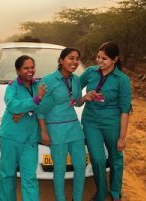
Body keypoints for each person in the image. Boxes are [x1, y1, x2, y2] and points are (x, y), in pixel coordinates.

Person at [79, 41, 131, 201]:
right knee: (98, 159)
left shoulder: (122, 80)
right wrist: (84, 98)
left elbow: (124, 111)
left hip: (112, 123)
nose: (99, 61)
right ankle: (101, 193)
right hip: (91, 122)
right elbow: (73, 93)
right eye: (98, 57)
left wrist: (122, 137)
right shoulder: (90, 72)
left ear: (115, 59)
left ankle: (115, 193)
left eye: (105, 58)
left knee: (116, 158)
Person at [38, 47, 87, 201]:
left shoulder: (76, 80)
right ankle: (60, 198)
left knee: (80, 166)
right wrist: (44, 132)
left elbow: (76, 103)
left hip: (74, 127)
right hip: (56, 128)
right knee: (59, 168)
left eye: (77, 58)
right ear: (61, 60)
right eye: (71, 58)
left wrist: (86, 98)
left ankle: (77, 198)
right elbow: (40, 109)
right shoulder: (48, 80)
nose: (75, 62)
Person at [0, 55, 47, 201]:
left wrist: (24, 111)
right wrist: (35, 100)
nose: (30, 70)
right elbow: (12, 105)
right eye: (26, 68)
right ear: (18, 70)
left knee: (30, 177)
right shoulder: (12, 87)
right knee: (7, 175)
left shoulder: (38, 85)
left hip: (30, 140)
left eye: (32, 67)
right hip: (10, 137)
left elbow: (43, 105)